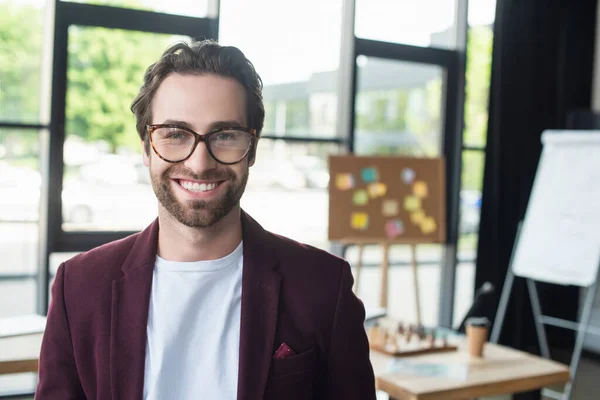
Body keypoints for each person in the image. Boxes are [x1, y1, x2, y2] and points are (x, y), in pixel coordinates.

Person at [36, 40, 376, 400]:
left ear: (253, 148)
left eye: (225, 135)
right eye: (175, 134)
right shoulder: (80, 287)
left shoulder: (324, 286)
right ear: (146, 148)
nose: (199, 163)